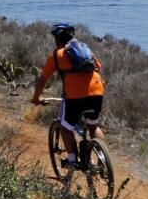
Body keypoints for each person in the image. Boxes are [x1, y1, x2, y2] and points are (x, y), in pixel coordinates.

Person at [31, 23, 105, 169]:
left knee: (65, 127)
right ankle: (102, 159)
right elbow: (98, 68)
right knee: (93, 125)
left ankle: (72, 160)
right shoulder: (86, 50)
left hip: (75, 96)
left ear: (57, 40)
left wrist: (36, 98)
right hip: (97, 91)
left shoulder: (57, 56)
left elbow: (42, 79)